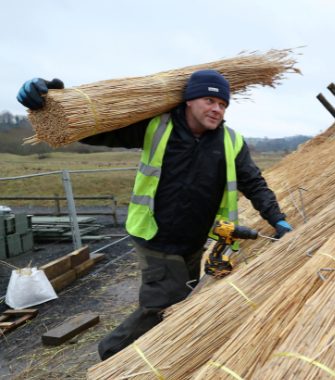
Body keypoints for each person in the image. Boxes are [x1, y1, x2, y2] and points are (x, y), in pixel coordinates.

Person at [17, 70, 293, 360]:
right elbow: (95, 128)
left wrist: (278, 220)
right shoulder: (157, 126)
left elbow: (254, 183)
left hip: (194, 241)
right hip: (154, 237)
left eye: (223, 104)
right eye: (209, 100)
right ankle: (112, 355)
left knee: (183, 299)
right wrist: (54, 102)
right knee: (163, 304)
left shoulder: (231, 142)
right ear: (188, 100)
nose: (217, 109)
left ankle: (157, 355)